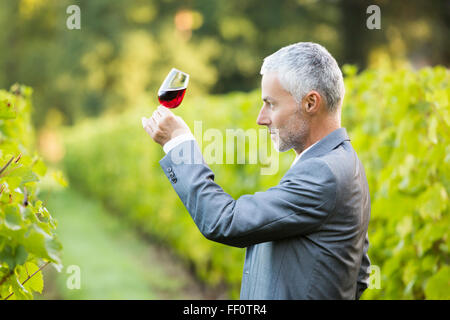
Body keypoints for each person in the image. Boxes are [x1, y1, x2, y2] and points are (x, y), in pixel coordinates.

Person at [142, 42, 371, 300]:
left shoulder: (323, 173)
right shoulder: (344, 161)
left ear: (310, 103)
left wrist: (179, 144)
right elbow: (358, 274)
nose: (261, 118)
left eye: (270, 104)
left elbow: (225, 222)